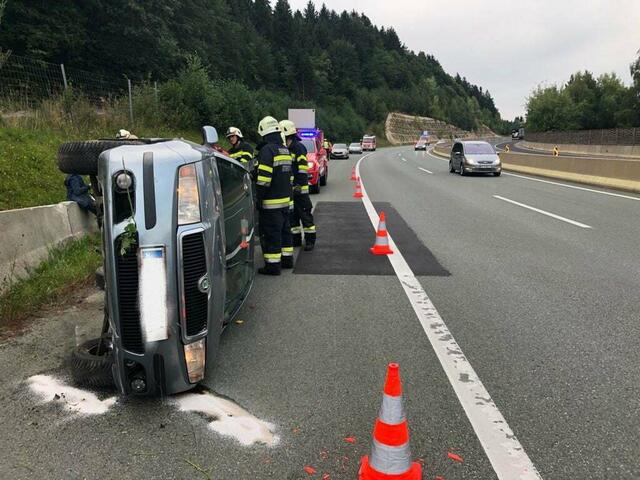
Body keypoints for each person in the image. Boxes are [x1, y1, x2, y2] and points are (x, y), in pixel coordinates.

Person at [254, 116, 294, 275]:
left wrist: (258, 199)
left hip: (271, 204)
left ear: (264, 132)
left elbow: (264, 180)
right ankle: (287, 261)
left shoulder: (267, 150)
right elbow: (289, 177)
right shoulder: (284, 150)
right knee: (285, 232)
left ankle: (273, 266)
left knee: (272, 234)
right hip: (285, 201)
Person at [279, 120, 316, 251]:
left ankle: (310, 241)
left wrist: (299, 184)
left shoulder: (298, 148)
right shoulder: (286, 149)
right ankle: (296, 240)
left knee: (305, 216)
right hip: (290, 190)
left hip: (300, 190)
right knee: (293, 217)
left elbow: (302, 169)